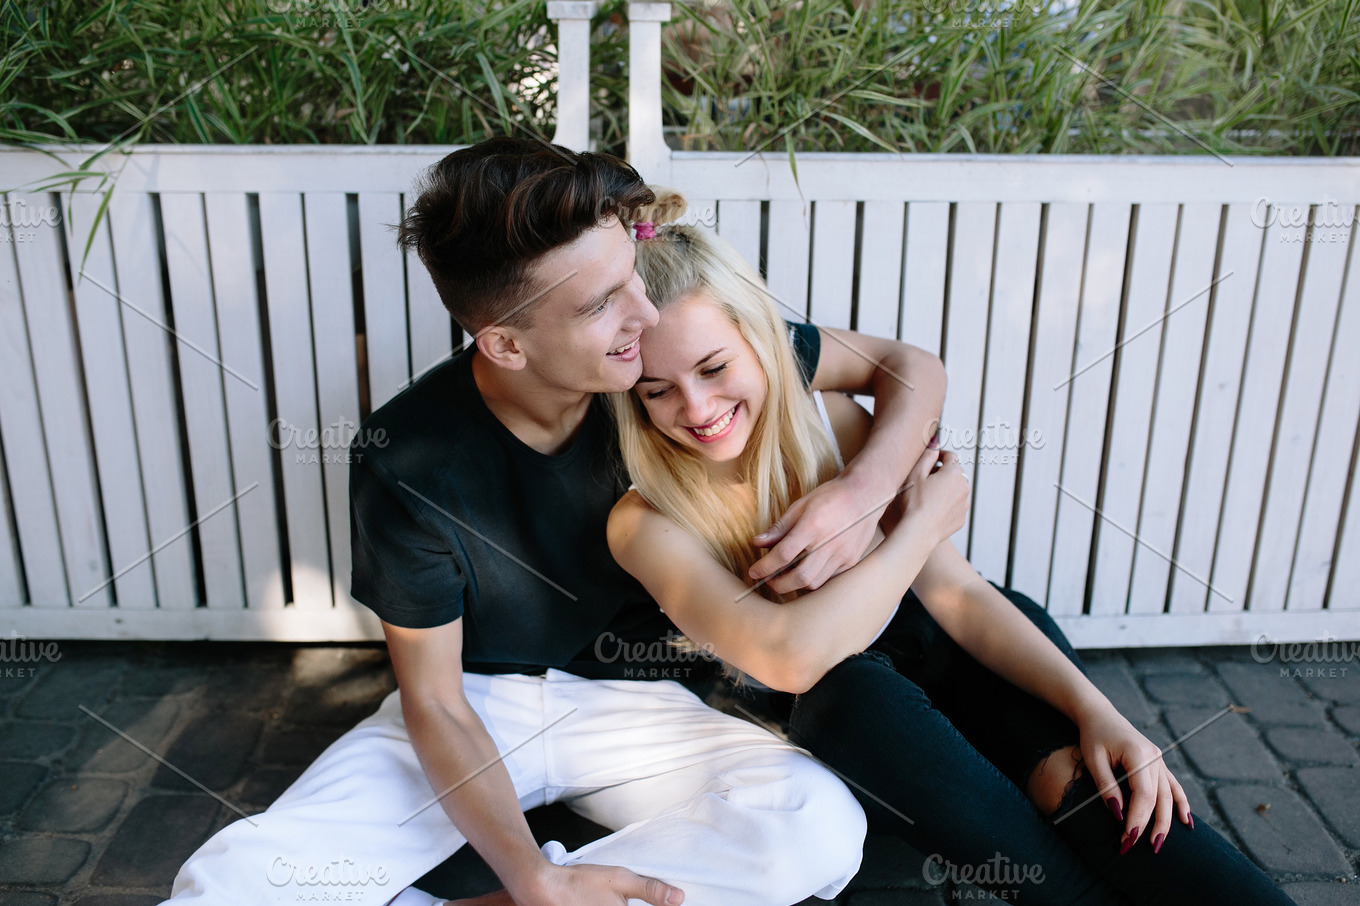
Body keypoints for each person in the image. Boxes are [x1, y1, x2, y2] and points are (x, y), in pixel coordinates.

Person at [158, 138, 951, 906]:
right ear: (506, 343)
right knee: (230, 887)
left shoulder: (671, 377)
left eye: (630, 276)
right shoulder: (405, 457)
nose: (645, 312)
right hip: (476, 704)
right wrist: (532, 873)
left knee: (814, 827)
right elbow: (434, 702)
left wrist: (863, 496)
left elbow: (909, 368)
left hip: (646, 699)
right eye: (605, 303)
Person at [606, 189, 1296, 906]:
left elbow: (957, 594)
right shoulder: (643, 520)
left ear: (768, 342)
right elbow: (794, 659)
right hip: (860, 732)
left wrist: (1103, 715)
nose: (696, 408)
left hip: (948, 658)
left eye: (714, 368)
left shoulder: (828, 421)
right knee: (856, 696)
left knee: (1098, 798)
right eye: (657, 391)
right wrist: (920, 526)